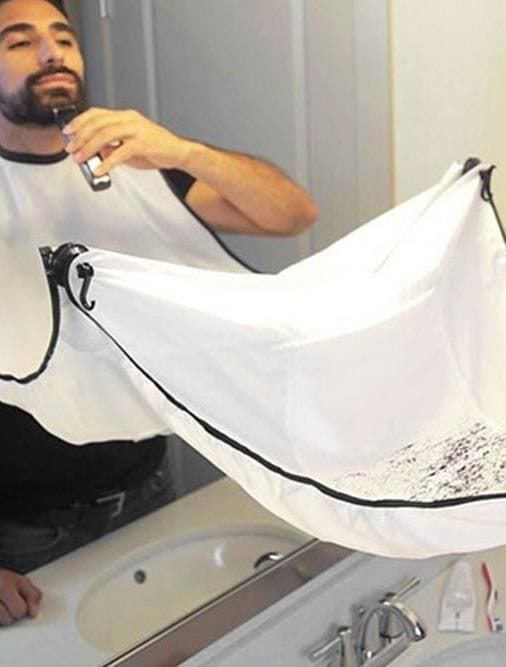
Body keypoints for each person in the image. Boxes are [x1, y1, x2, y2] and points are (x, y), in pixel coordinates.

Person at [0, 0, 317, 627]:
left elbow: (292, 214)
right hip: (22, 529)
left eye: (63, 37)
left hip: (148, 487)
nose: (52, 52)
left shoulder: (132, 167)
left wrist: (182, 151)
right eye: (18, 41)